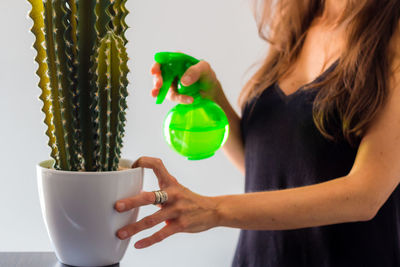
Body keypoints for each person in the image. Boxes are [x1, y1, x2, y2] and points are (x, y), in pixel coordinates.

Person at [114, 0, 400, 266]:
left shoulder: (393, 36)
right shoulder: (299, 19)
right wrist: (212, 96)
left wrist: (213, 209)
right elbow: (263, 167)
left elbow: (365, 195)